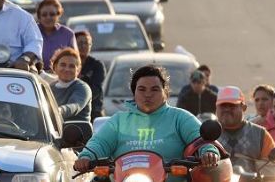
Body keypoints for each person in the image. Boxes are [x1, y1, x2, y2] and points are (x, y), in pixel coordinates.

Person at [74, 65, 220, 179]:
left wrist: (208, 151)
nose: (148, 94)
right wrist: (86, 157)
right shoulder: (119, 121)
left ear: (165, 92)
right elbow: (100, 143)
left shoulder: (180, 118)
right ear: (134, 93)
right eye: (142, 89)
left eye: (155, 89)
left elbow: (200, 140)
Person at [215, 86, 275, 175]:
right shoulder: (205, 134)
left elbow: (272, 171)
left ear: (244, 107)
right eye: (223, 106)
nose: (227, 109)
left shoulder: (261, 135)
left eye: (232, 106)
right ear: (216, 108)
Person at [49, 47, 92, 122]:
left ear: (78, 70)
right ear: (55, 67)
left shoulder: (83, 88)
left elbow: (75, 106)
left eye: (72, 66)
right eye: (63, 65)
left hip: (76, 131)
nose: (67, 69)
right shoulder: (49, 87)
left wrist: (59, 111)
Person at [36, 0, 77, 72]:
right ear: (39, 16)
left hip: (61, 77)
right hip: (36, 75)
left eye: (52, 14)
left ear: (58, 15)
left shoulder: (68, 34)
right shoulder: (32, 31)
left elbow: (75, 61)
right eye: (44, 15)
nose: (48, 17)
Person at [75, 30, 105, 120]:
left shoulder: (97, 65)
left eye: (86, 43)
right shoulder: (69, 64)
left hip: (93, 113)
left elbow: (96, 90)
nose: (83, 46)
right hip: (73, 111)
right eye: (80, 43)